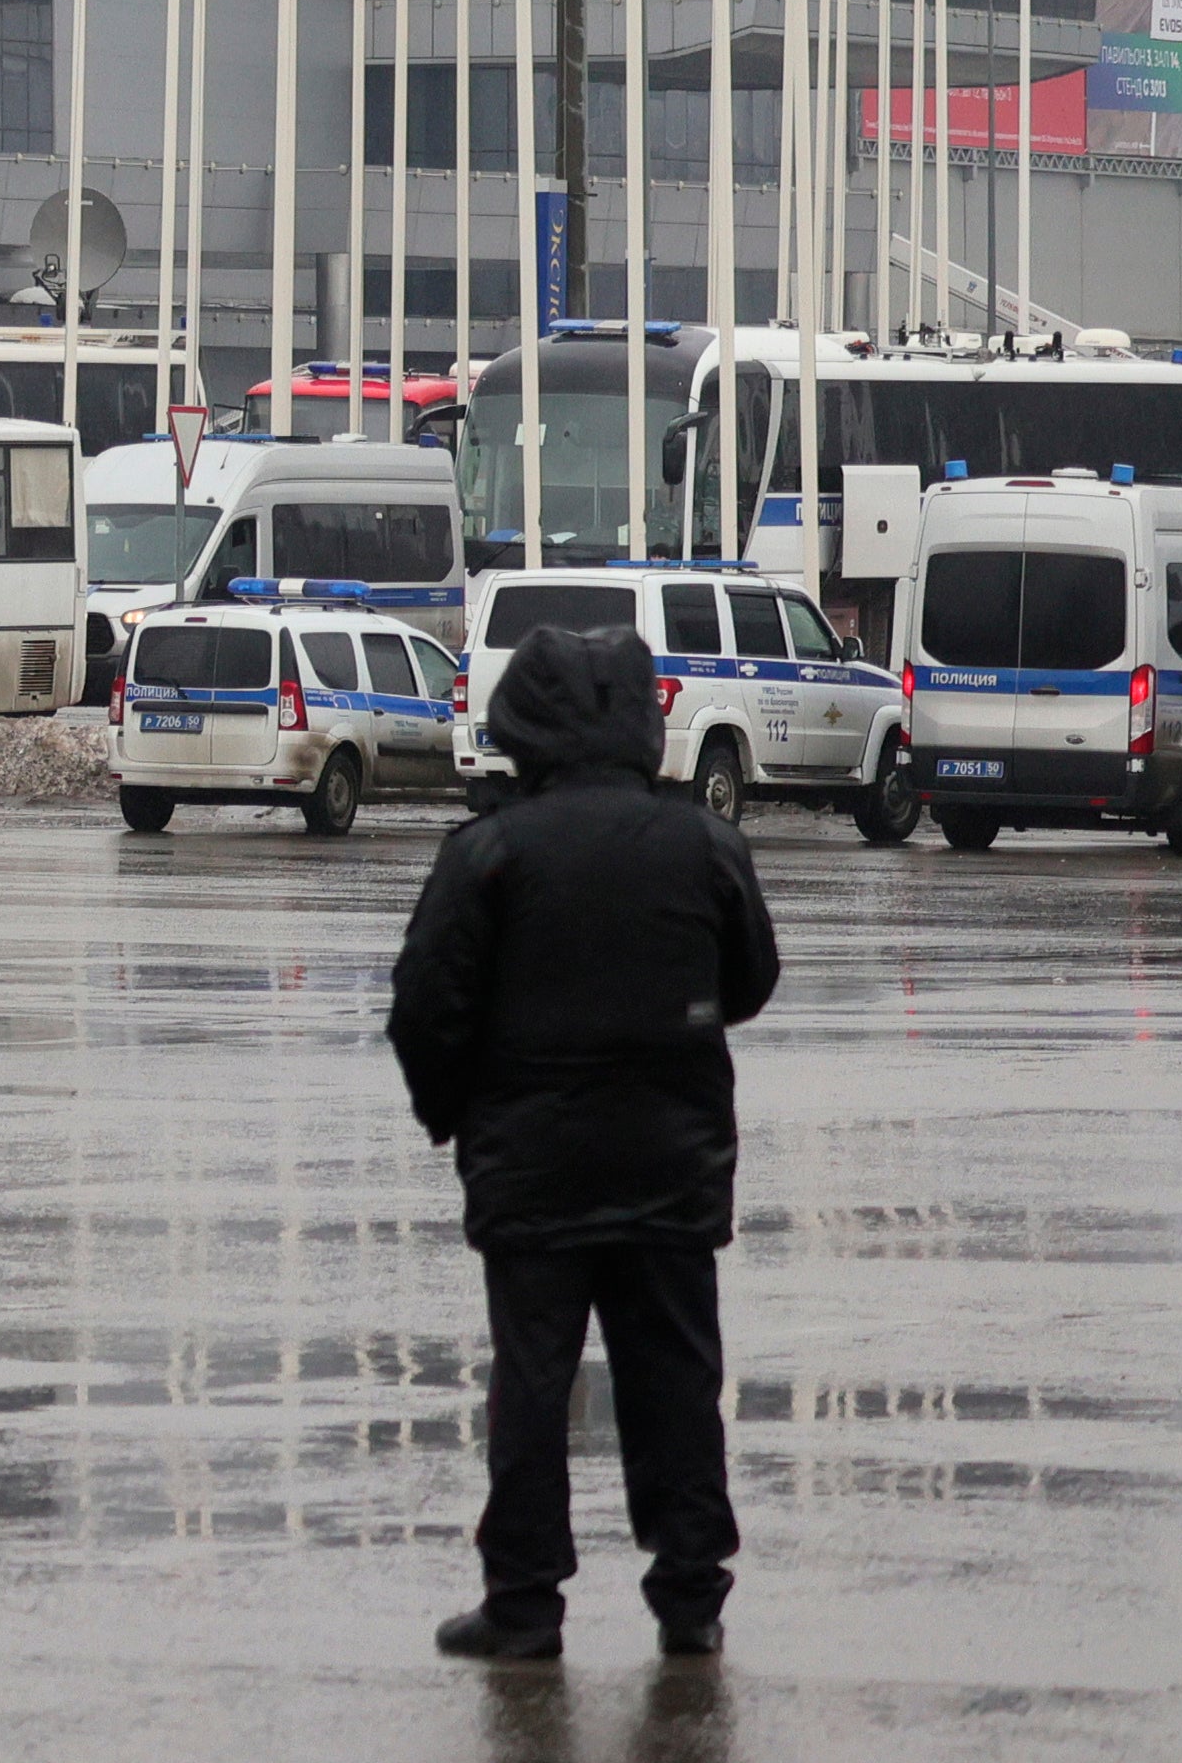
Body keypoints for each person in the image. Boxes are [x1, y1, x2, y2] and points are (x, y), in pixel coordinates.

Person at [387, 622, 781, 1664]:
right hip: (670, 1156)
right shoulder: (702, 840)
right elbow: (749, 978)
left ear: (520, 721)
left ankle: (521, 1602)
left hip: (531, 1161)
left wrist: (455, 1115)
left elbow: (423, 1005)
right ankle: (689, 1598)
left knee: (530, 1382)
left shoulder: (489, 850)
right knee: (675, 1381)